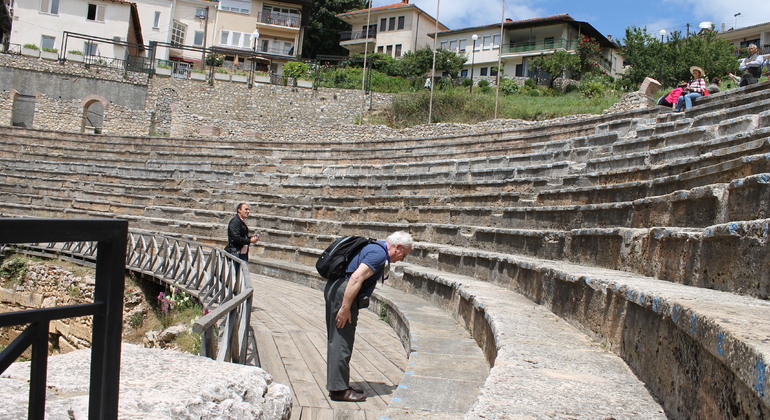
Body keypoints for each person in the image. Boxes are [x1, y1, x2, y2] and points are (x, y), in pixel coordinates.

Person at [324, 231, 413, 402]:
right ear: (398, 247)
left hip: (338, 288)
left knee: (338, 340)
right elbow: (356, 278)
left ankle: (338, 384)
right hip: (344, 293)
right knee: (342, 341)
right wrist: (345, 308)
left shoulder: (375, 246)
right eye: (404, 255)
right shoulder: (379, 254)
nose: (402, 259)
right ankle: (338, 390)